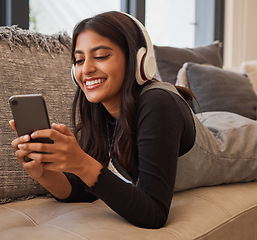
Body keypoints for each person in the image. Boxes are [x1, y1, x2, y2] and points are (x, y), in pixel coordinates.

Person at [10, 11, 257, 229]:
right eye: (79, 60)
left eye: (101, 56)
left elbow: (154, 214)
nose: (86, 70)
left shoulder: (157, 102)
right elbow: (84, 188)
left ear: (138, 61)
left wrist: (81, 162)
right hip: (209, 125)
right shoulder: (100, 109)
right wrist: (44, 173)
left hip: (243, 141)